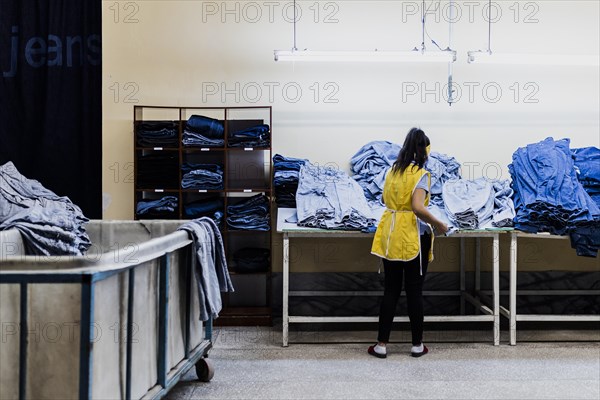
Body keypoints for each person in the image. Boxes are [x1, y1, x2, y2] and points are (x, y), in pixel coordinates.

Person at [368, 127, 448, 359]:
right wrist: (439, 224)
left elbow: (385, 199)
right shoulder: (420, 175)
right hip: (413, 236)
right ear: (424, 151)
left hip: (391, 233)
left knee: (390, 289)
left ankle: (381, 345)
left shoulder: (392, 171)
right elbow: (418, 208)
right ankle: (417, 345)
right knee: (414, 290)